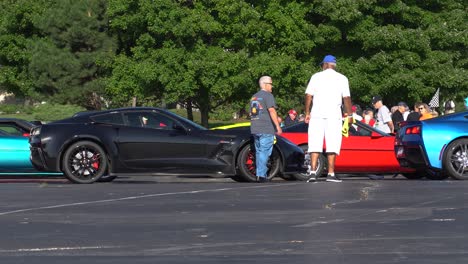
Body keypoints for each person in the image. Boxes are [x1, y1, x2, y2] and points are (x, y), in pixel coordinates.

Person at [304, 55, 352, 183]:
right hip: (333, 115)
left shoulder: (316, 77)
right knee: (332, 143)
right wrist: (350, 114)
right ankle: (330, 174)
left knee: (314, 143)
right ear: (333, 65)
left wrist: (307, 112)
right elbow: (346, 98)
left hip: (317, 114)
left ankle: (313, 173)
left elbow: (308, 95)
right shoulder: (342, 78)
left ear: (324, 65)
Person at [250, 76, 282, 182]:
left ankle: (259, 174)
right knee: (264, 152)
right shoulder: (268, 95)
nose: (272, 86)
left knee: (259, 152)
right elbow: (271, 111)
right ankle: (262, 175)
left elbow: (256, 113)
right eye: (271, 84)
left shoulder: (254, 97)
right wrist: (277, 126)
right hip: (266, 128)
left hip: (255, 128)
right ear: (265, 84)